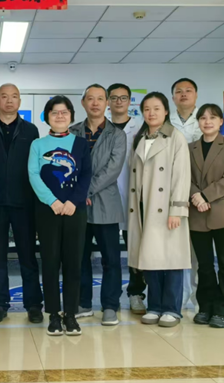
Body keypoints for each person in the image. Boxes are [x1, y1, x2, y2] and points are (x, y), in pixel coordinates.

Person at [0, 84, 44, 324]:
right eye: (4, 97)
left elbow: (36, 167)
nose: (9, 100)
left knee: (28, 256)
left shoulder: (30, 130)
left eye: (14, 96)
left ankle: (33, 305)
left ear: (19, 101)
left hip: (24, 203)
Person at [28, 96, 92, 336]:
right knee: (50, 262)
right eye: (54, 112)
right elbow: (34, 174)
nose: (60, 116)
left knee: (74, 263)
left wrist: (73, 202)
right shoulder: (38, 144)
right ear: (47, 117)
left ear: (71, 116)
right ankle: (54, 314)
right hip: (48, 211)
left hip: (75, 210)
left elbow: (86, 175)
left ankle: (71, 315)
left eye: (64, 112)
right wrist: (53, 201)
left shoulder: (80, 144)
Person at [128, 92, 191, 328]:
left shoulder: (175, 138)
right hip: (144, 206)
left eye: (156, 108)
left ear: (166, 111)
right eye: (147, 109)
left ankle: (172, 309)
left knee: (171, 259)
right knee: (150, 258)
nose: (151, 113)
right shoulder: (140, 138)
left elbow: (181, 176)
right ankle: (154, 306)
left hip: (166, 207)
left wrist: (177, 209)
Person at [70, 84, 126, 326]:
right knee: (79, 256)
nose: (95, 103)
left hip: (106, 204)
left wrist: (85, 190)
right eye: (90, 99)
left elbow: (113, 169)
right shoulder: (72, 131)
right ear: (83, 103)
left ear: (107, 103)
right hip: (77, 206)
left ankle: (110, 305)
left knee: (110, 259)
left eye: (100, 99)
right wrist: (79, 193)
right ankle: (82, 302)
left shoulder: (117, 135)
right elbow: (67, 165)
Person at [189, 104, 224, 329]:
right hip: (197, 211)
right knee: (204, 265)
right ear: (198, 122)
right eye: (203, 118)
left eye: (212, 117)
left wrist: (205, 195)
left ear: (221, 121)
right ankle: (206, 307)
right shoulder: (190, 148)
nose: (207, 121)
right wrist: (196, 197)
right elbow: (184, 177)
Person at [107, 83, 147, 315]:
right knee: (111, 253)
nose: (119, 102)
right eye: (114, 98)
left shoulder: (140, 127)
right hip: (107, 199)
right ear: (108, 102)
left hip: (135, 198)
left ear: (130, 101)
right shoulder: (101, 127)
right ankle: (111, 298)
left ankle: (135, 293)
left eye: (123, 98)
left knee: (135, 249)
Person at [170, 77, 202, 309]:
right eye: (179, 91)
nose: (183, 94)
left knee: (198, 250)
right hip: (173, 191)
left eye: (188, 90)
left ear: (196, 95)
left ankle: (199, 298)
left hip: (200, 192)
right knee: (176, 248)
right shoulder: (166, 121)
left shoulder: (205, 119)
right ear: (173, 97)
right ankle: (179, 298)